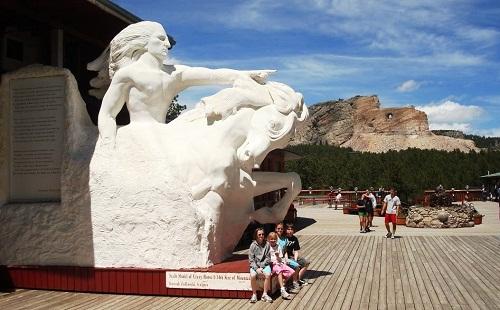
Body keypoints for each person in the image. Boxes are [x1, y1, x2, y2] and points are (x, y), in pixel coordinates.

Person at [97, 21, 272, 148]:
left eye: (167, 40)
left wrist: (246, 74)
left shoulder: (175, 73)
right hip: (138, 136)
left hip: (164, 134)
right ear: (144, 43)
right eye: (160, 39)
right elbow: (107, 114)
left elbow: (213, 74)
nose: (167, 44)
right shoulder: (127, 74)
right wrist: (108, 144)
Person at [248, 228, 273, 303]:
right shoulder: (253, 245)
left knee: (268, 275)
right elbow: (251, 259)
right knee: (253, 275)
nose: (261, 236)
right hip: (255, 265)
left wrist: (262, 267)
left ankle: (264, 294)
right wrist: (256, 268)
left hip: (264, 265)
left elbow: (268, 258)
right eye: (259, 234)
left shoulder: (267, 244)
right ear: (256, 235)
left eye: (262, 234)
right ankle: (254, 294)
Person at [267, 232, 295, 300]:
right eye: (271, 239)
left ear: (276, 239)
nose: (273, 240)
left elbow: (280, 258)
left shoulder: (278, 246)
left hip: (279, 262)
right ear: (268, 239)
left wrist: (277, 256)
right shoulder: (267, 247)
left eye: (274, 239)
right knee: (279, 271)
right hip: (272, 264)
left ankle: (282, 283)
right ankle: (282, 290)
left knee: (292, 271)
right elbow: (266, 258)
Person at [285, 223, 311, 290]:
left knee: (306, 262)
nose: (290, 231)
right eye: (288, 229)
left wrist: (296, 259)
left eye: (291, 229)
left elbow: (296, 251)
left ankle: (298, 279)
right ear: (286, 230)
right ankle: (295, 281)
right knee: (296, 265)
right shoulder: (284, 238)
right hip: (286, 257)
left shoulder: (294, 239)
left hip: (292, 256)